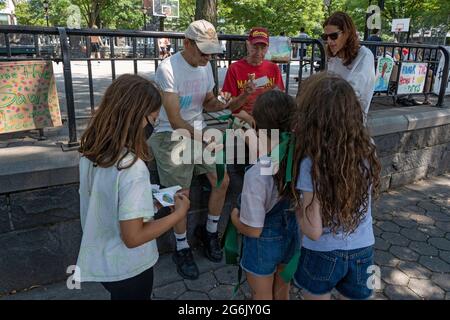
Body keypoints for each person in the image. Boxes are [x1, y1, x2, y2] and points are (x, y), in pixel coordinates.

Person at [75, 74, 190, 300]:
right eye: (153, 120)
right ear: (137, 118)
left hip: (104, 262)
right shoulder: (132, 167)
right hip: (129, 268)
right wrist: (179, 214)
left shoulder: (91, 154)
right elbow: (134, 237)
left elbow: (109, 200)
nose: (153, 127)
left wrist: (150, 201)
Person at [148, 20, 237, 280]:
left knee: (222, 180)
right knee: (181, 194)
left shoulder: (205, 66)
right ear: (186, 43)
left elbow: (207, 103)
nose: (208, 57)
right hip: (169, 134)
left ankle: (209, 232)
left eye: (211, 52)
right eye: (203, 51)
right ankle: (182, 247)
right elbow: (175, 120)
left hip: (196, 134)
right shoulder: (168, 68)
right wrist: (205, 139)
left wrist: (221, 102)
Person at [290, 72, 381, 300]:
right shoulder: (368, 147)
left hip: (322, 254)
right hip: (364, 250)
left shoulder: (311, 163)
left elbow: (313, 230)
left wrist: (297, 210)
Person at [230, 90, 300, 300]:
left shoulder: (256, 173)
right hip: (292, 238)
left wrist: (234, 219)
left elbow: (253, 230)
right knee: (282, 292)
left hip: (263, 245)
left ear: (257, 125)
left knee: (261, 296)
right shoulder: (299, 157)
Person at [222, 27, 285, 129]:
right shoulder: (235, 68)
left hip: (268, 117)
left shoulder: (273, 68)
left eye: (263, 48)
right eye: (255, 47)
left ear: (268, 47)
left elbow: (281, 100)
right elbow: (231, 107)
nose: (259, 52)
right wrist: (245, 94)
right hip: (242, 117)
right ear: (248, 44)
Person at [316, 11, 375, 117]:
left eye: (333, 36)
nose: (329, 41)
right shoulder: (334, 57)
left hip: (351, 119)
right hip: (332, 115)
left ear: (347, 33)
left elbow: (352, 93)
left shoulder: (365, 55)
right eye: (325, 37)